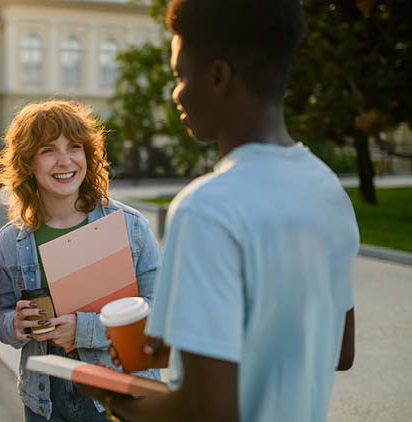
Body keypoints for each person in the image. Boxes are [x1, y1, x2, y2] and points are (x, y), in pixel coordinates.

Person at [82, 1, 358, 421]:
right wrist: (184, 342)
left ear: (217, 77)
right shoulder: (327, 190)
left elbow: (206, 411)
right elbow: (338, 348)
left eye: (180, 75)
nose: (176, 93)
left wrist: (112, 397)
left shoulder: (206, 209)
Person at [0, 100, 162, 422]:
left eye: (75, 147)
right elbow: (0, 313)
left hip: (119, 396)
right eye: (48, 150)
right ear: (27, 162)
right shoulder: (11, 242)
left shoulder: (129, 226)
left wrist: (84, 330)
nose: (65, 161)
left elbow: (163, 313)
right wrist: (14, 323)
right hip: (45, 401)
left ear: (89, 155)